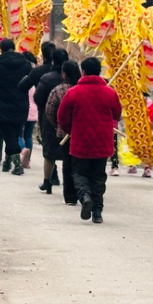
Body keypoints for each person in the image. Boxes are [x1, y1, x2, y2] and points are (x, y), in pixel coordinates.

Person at [57, 56, 122, 223]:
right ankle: (97, 212)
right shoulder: (110, 92)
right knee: (98, 176)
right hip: (103, 142)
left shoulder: (73, 92)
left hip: (80, 140)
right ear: (99, 72)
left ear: (83, 72)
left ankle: (85, 195)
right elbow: (117, 114)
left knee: (79, 172)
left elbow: (62, 116)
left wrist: (69, 130)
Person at [0, 39, 31, 174]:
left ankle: (17, 164)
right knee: (14, 133)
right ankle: (7, 162)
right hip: (21, 104)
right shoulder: (26, 64)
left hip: (2, 104)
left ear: (1, 49)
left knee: (9, 135)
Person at [46, 60, 81, 205]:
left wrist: (59, 126)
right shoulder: (81, 88)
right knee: (80, 164)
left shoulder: (58, 90)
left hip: (65, 134)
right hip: (82, 132)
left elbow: (50, 111)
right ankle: (84, 191)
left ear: (64, 73)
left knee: (67, 165)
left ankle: (70, 196)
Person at [34, 48, 68, 193]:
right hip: (70, 121)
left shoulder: (47, 78)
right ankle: (70, 184)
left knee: (49, 153)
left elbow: (37, 97)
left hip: (49, 119)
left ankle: (47, 181)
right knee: (69, 153)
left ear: (53, 60)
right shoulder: (74, 78)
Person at [18, 43, 55, 170]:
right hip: (57, 112)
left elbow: (23, 87)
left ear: (43, 55)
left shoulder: (38, 72)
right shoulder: (64, 71)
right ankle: (31, 160)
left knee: (21, 134)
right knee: (29, 135)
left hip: (39, 110)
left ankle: (24, 154)